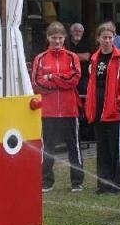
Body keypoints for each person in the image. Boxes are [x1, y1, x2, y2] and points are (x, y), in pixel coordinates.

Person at [31, 22, 84, 193]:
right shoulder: (40, 58)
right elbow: (37, 84)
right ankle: (47, 181)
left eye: (60, 38)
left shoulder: (72, 57)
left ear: (64, 38)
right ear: (48, 38)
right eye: (54, 38)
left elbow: (74, 80)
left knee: (74, 147)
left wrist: (52, 77)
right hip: (48, 111)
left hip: (70, 109)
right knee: (48, 147)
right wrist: (61, 81)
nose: (57, 41)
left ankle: (77, 182)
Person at [84, 22, 120, 194]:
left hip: (114, 112)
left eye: (110, 37)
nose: (107, 40)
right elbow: (92, 83)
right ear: (98, 39)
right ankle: (103, 183)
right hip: (98, 111)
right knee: (102, 148)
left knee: (115, 149)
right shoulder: (94, 58)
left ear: (114, 38)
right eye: (103, 37)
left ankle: (117, 184)